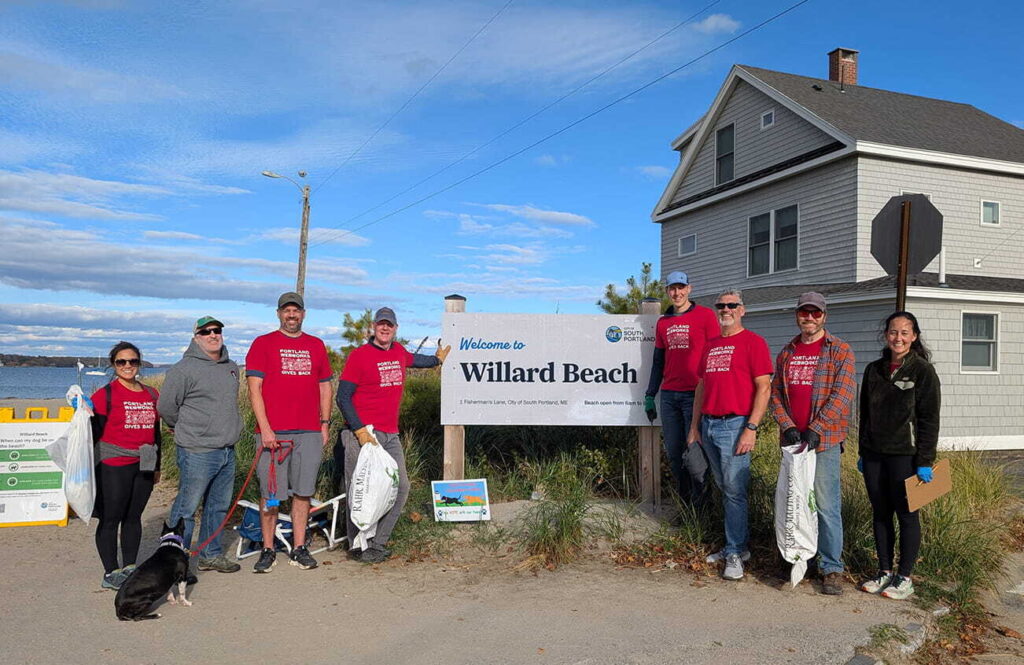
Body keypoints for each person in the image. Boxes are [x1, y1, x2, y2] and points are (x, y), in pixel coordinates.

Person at [336, 307, 450, 563]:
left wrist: (437, 360)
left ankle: (378, 543)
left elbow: (415, 360)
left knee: (401, 487)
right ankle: (357, 547)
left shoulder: (398, 352)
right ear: (373, 327)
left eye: (389, 325)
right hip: (361, 434)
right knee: (359, 491)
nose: (385, 328)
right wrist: (359, 430)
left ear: (395, 328)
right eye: (380, 324)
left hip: (390, 435)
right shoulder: (359, 356)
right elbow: (342, 397)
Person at [769, 292, 857, 595]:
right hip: (793, 444)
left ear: (824, 316)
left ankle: (831, 567)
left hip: (824, 442)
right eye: (804, 313)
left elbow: (843, 393)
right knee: (792, 502)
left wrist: (817, 428)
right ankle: (794, 558)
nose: (809, 318)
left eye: (815, 313)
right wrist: (789, 426)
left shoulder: (840, 350)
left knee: (826, 505)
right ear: (797, 315)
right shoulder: (786, 352)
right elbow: (776, 394)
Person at [245, 292, 334, 573]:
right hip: (274, 435)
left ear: (303, 314)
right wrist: (266, 429)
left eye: (296, 310)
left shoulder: (316, 345)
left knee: (303, 492)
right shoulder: (263, 344)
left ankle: (299, 548)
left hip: (308, 432)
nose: (291, 315)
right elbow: (254, 389)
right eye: (287, 311)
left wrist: (324, 424)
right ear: (278, 313)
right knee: (271, 494)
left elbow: (325, 386)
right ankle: (268, 548)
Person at [689, 289, 773, 581]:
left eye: (731, 305)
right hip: (709, 425)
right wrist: (694, 427)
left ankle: (735, 551)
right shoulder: (710, 345)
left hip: (735, 425)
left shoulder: (753, 343)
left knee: (735, 491)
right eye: (721, 306)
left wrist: (751, 428)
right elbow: (701, 386)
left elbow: (764, 387)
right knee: (724, 488)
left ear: (742, 310)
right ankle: (737, 545)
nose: (725, 310)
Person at [858, 311, 940, 600]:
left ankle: (904, 577)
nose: (898, 338)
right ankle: (883, 571)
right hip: (874, 455)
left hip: (906, 455)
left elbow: (929, 419)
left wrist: (925, 461)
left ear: (914, 336)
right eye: (893, 332)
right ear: (886, 335)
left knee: (907, 515)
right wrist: (862, 451)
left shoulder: (922, 371)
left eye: (905, 332)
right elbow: (864, 414)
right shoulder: (873, 370)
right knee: (880, 513)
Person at [158, 316, 242, 575]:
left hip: (227, 450)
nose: (213, 335)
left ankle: (211, 554)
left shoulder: (231, 367)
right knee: (187, 507)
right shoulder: (183, 369)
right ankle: (173, 560)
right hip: (197, 451)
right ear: (196, 337)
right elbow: (166, 408)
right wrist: (182, 428)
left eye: (217, 330)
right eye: (205, 332)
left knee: (217, 506)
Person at [644, 270, 719, 508]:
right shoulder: (663, 322)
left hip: (695, 395)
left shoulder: (705, 316)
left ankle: (702, 510)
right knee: (675, 455)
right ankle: (685, 508)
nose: (676, 293)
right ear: (667, 292)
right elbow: (658, 361)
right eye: (672, 289)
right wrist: (650, 394)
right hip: (669, 396)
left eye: (681, 288)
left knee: (695, 455)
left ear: (689, 289)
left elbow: (715, 355)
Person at [90, 341, 161, 590]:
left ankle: (130, 566)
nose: (127, 366)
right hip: (113, 462)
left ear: (139, 363)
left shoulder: (152, 394)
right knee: (111, 518)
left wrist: (157, 466)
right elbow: (91, 433)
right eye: (122, 362)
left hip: (144, 462)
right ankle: (111, 572)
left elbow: (155, 431)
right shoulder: (104, 395)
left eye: (132, 361)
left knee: (133, 517)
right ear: (114, 365)